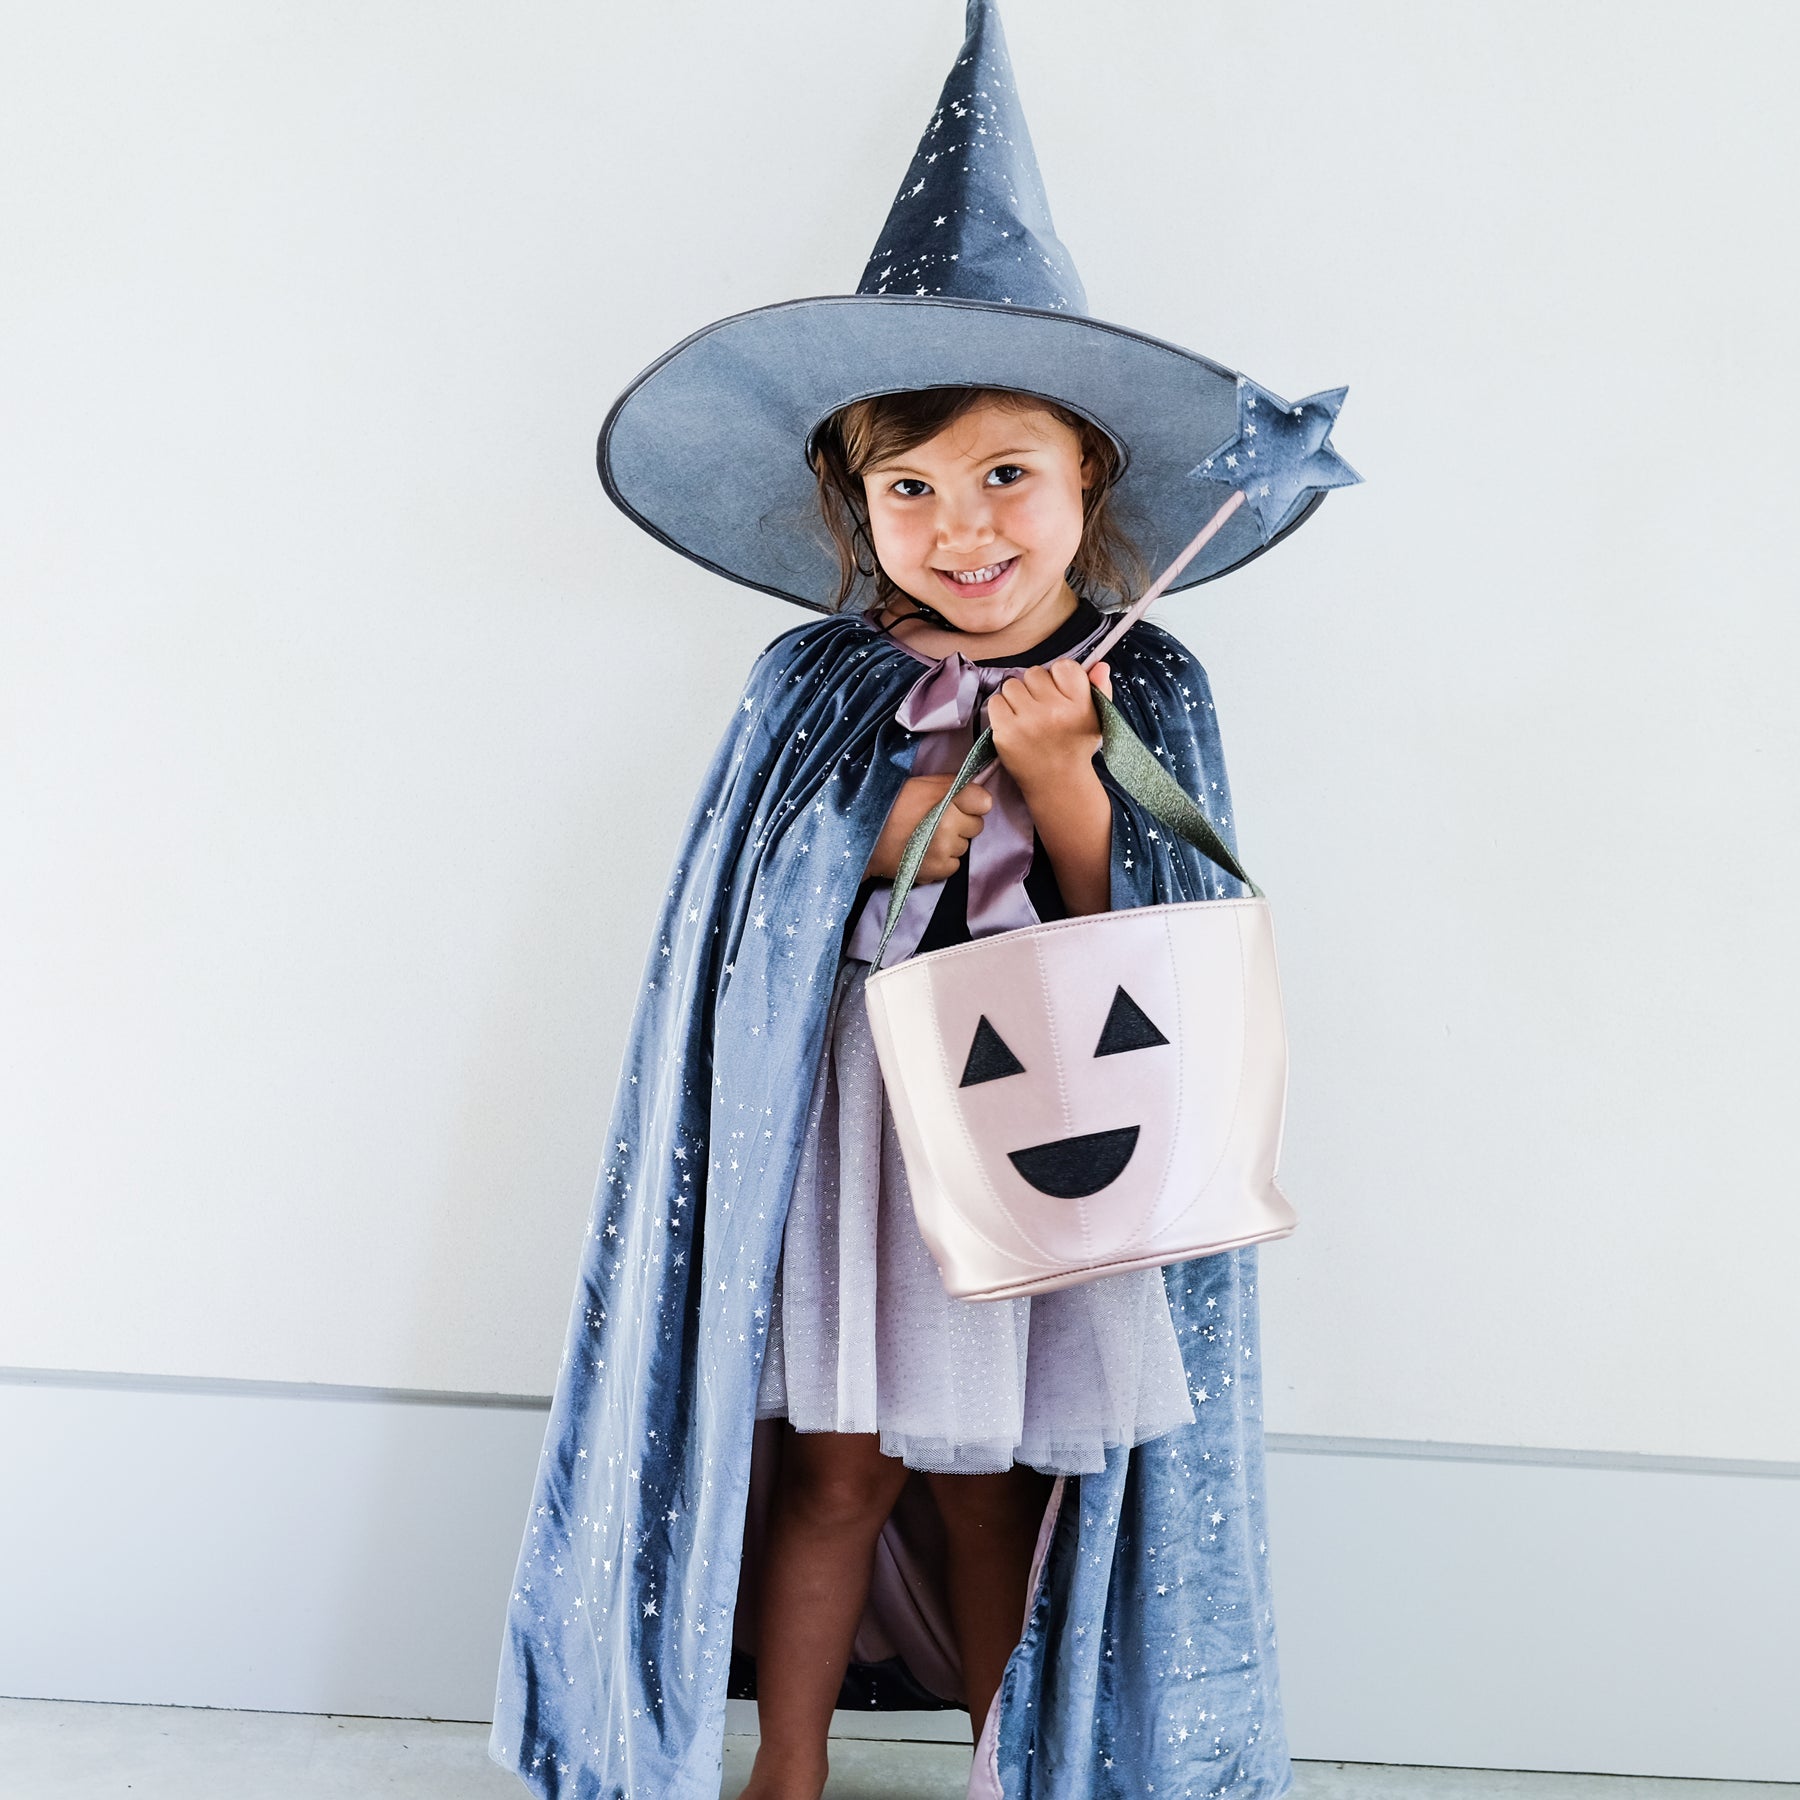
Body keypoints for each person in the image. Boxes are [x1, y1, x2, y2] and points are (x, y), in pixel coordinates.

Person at [488, 4, 1351, 1795]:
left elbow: (1155, 956)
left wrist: (1064, 783)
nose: (963, 530)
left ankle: (1007, 1761)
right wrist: (876, 845)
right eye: (910, 488)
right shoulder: (813, 685)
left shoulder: (1147, 684)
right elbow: (743, 925)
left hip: (1049, 1138)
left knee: (998, 1480)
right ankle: (784, 1768)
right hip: (854, 1138)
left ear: (1089, 474)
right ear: (854, 503)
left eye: (1006, 476)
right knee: (835, 1467)